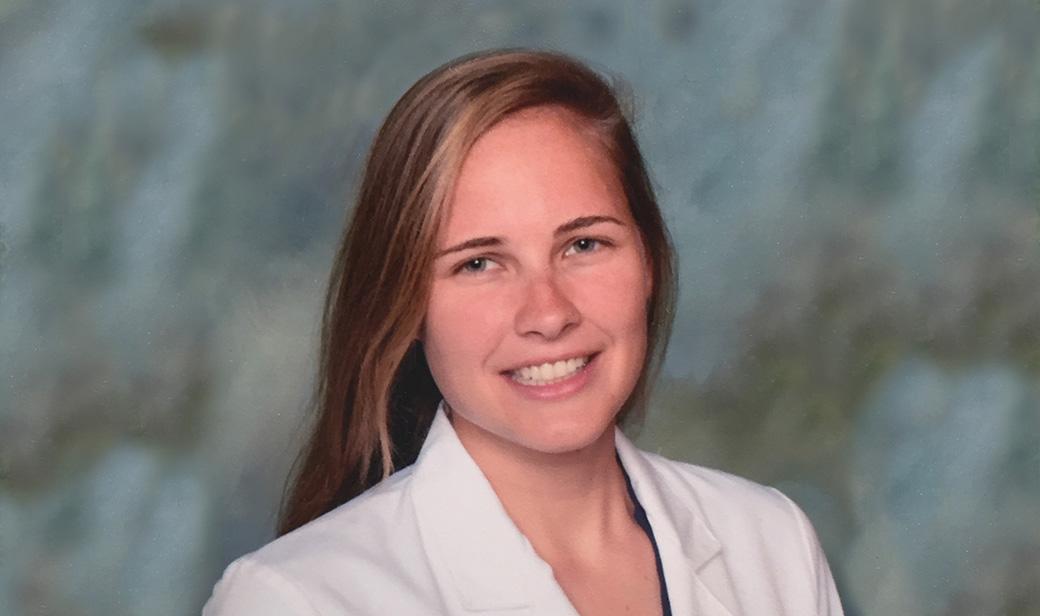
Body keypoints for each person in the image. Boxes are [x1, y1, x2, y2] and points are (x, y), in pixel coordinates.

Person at [203, 49, 845, 615]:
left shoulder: (772, 543)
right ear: (405, 307)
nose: (547, 313)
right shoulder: (296, 601)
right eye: (479, 263)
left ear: (649, 260)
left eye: (585, 244)